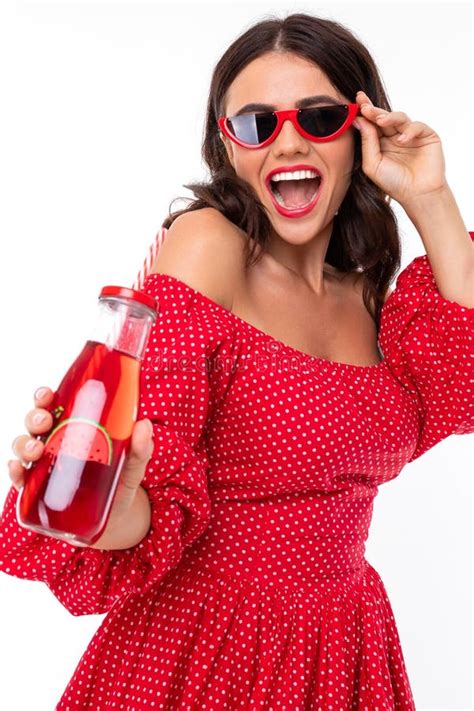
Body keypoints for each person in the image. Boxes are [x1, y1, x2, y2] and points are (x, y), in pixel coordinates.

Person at [1, 12, 473, 710]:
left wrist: (429, 196)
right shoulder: (208, 245)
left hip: (346, 645)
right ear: (228, 148)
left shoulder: (372, 294)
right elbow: (149, 487)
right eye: (255, 124)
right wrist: (106, 506)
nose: (285, 141)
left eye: (317, 117)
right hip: (209, 645)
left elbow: (463, 368)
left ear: (359, 130)